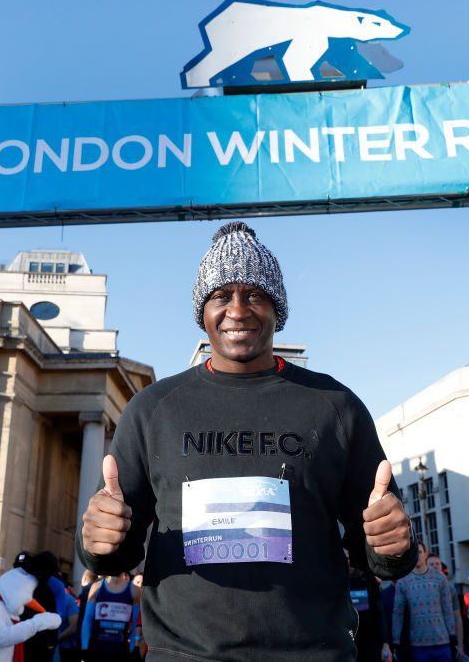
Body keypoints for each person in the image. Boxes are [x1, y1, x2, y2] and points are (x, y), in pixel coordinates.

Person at [79, 221, 416, 661]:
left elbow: (379, 554)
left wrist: (393, 545)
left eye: (255, 294)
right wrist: (98, 541)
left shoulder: (335, 405)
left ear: (278, 308)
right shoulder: (153, 409)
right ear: (203, 312)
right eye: (221, 296)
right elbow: (113, 555)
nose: (237, 310)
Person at [0, 567, 62, 662]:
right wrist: (36, 623)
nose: (29, 599)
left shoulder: (9, 613)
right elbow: (0, 637)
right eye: (28, 593)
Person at [392, 544, 457, 662]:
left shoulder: (440, 578)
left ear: (426, 554)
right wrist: (396, 641)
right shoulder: (402, 582)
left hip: (442, 641)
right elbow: (398, 613)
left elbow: (447, 609)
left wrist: (452, 634)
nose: (417, 556)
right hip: (418, 644)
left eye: (420, 552)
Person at [80, 572, 141, 662]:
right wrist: (84, 648)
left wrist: (133, 648)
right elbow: (87, 620)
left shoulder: (134, 590)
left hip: (120, 651)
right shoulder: (97, 587)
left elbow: (135, 623)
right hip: (97, 650)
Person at [348, 551, 391, 662]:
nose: (348, 562)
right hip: (347, 643)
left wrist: (385, 644)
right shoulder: (337, 581)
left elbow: (379, 612)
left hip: (370, 642)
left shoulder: (368, 579)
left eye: (349, 558)